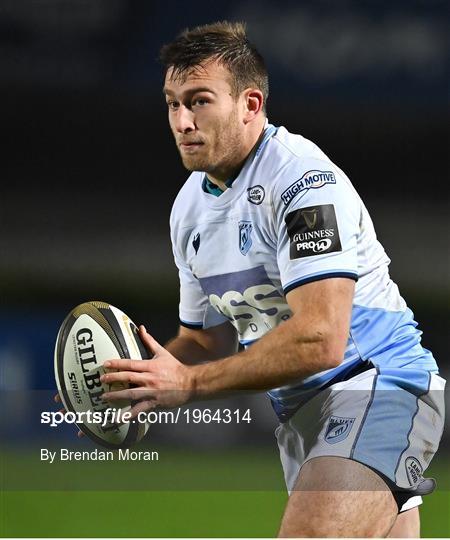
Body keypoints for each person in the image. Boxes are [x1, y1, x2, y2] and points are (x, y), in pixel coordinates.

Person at [98, 21, 446, 537]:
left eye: (199, 101)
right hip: (302, 416)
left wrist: (190, 383)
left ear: (250, 105)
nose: (182, 121)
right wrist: (138, 379)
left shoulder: (302, 181)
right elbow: (202, 338)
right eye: (172, 103)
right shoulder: (188, 209)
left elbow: (321, 339)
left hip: (377, 385)